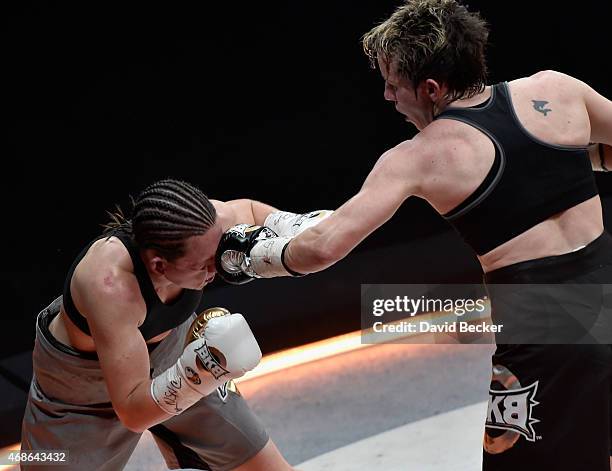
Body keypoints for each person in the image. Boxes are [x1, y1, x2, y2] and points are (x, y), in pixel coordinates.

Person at [215, 0, 612, 469]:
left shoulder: (418, 157)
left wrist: (247, 253)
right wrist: (562, 163)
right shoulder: (557, 90)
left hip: (550, 332)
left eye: (392, 84)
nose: (387, 96)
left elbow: (320, 248)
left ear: (430, 89)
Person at [20, 178, 297, 471]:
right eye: (202, 264)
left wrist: (295, 237)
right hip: (81, 392)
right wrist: (200, 370)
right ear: (159, 266)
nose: (215, 268)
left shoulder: (205, 227)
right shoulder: (108, 284)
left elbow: (253, 212)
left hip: (175, 350)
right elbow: (133, 413)